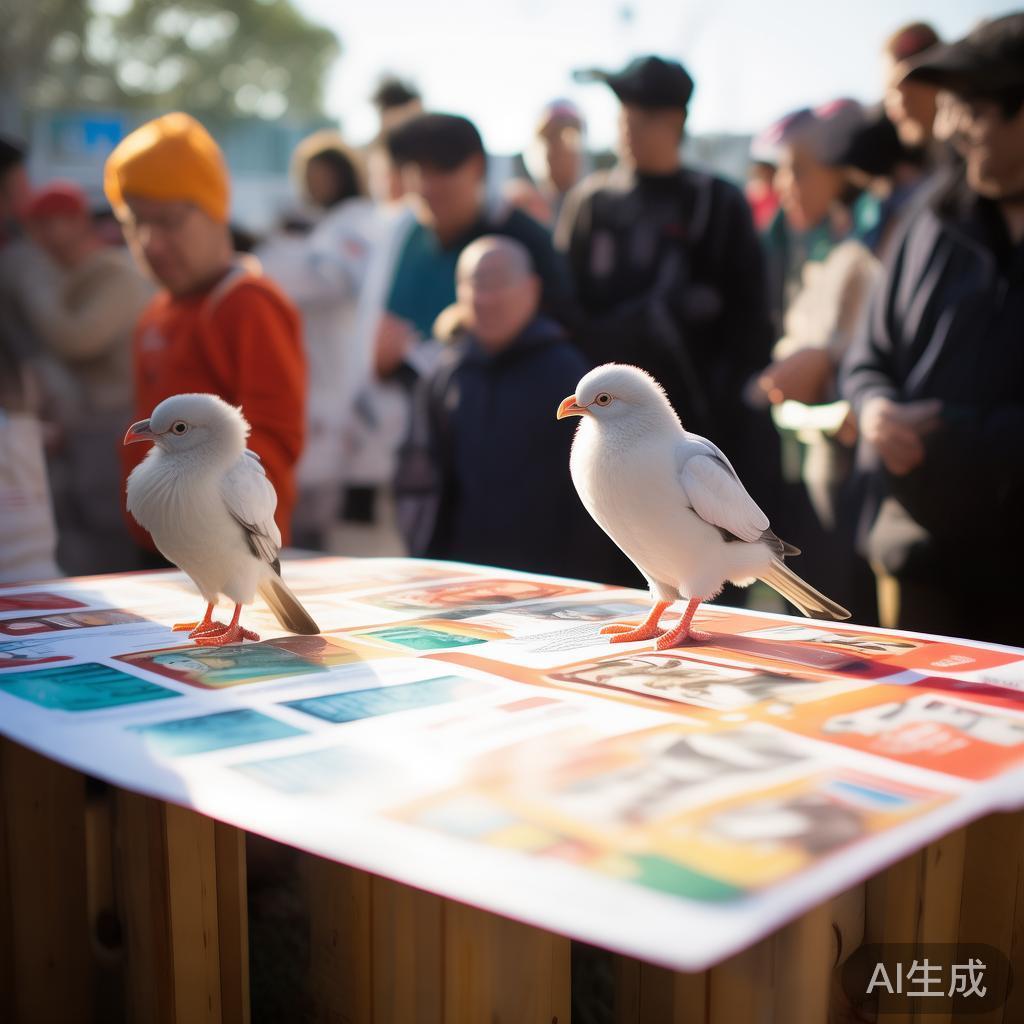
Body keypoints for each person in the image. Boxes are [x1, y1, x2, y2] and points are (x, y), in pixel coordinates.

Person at [840, 12, 1024, 645]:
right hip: (919, 573)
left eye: (970, 109)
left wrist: (955, 438)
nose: (949, 128)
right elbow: (868, 353)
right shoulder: (931, 221)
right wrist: (875, 408)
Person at [557, 56, 777, 510]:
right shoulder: (592, 204)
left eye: (642, 118)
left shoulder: (716, 203)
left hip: (698, 431)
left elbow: (751, 316)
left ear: (675, 121)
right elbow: (565, 306)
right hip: (607, 436)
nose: (628, 130)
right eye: (623, 117)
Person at [105, 113, 305, 556]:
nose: (151, 242)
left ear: (218, 212)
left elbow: (272, 448)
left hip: (228, 559)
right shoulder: (156, 312)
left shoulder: (248, 304)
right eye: (135, 221)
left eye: (170, 220)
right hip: (162, 554)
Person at [396, 236, 623, 582]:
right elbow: (420, 481)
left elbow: (599, 491)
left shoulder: (569, 376)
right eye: (474, 284)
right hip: (462, 578)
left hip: (554, 581)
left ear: (532, 289)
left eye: (497, 283)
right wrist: (428, 565)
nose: (485, 298)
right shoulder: (445, 376)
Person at [16, 182, 154, 573]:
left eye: (49, 223)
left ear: (76, 222)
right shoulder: (69, 274)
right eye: (34, 226)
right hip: (78, 432)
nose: (40, 236)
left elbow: (75, 338)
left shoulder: (114, 273)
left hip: (110, 429)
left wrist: (31, 283)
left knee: (106, 550)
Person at [256, 132, 381, 549]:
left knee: (333, 525)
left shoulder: (357, 219)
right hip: (316, 376)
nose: (316, 184)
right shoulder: (322, 226)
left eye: (324, 173)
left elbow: (332, 278)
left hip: (341, 378)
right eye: (309, 175)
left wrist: (276, 253)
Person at [505, 100, 588, 227]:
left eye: (570, 138)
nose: (559, 148)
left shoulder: (595, 204)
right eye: (550, 138)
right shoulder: (521, 205)